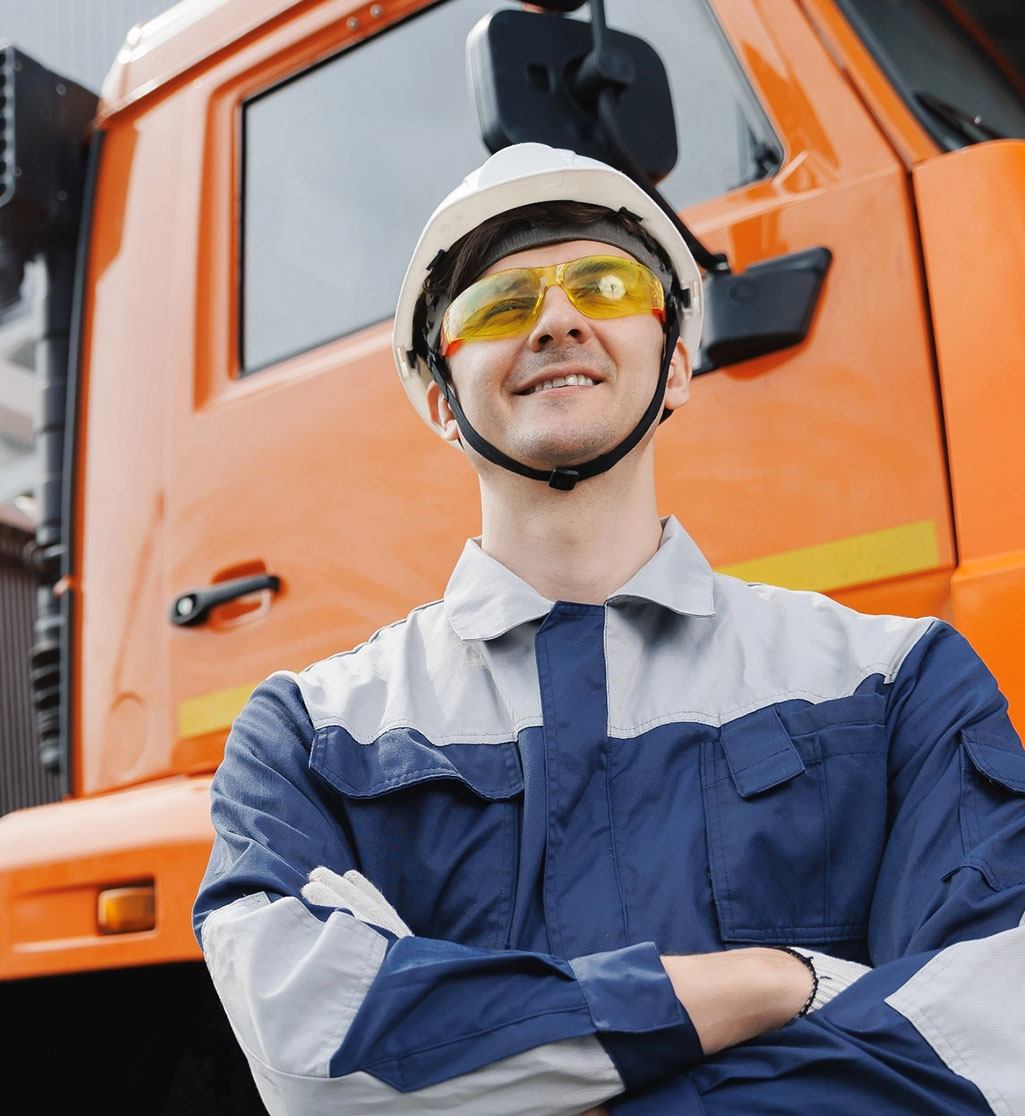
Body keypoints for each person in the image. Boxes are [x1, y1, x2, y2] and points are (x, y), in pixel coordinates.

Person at [193, 143, 1025, 1116]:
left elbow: (986, 1043)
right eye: (500, 306)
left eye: (603, 282)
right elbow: (313, 1055)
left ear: (674, 366)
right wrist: (771, 986)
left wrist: (517, 1080)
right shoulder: (306, 739)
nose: (555, 320)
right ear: (439, 405)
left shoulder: (900, 685)